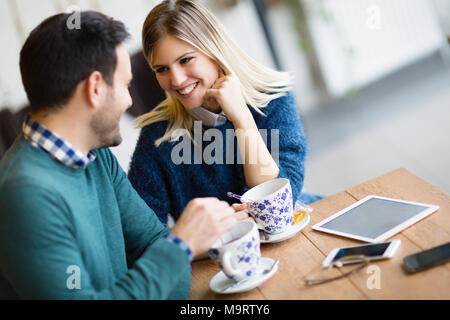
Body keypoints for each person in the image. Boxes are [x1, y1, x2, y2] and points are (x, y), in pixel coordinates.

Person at [0, 11, 241, 300]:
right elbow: (167, 260)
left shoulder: (94, 155)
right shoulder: (23, 194)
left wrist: (198, 235)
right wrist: (181, 244)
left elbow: (155, 248)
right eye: (126, 85)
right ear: (95, 88)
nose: (129, 100)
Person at [128, 0, 321, 225]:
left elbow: (280, 205)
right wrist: (204, 239)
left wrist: (241, 118)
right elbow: (142, 235)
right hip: (220, 257)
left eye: (186, 60)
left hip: (295, 227)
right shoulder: (158, 135)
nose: (177, 80)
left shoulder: (273, 99)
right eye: (162, 69)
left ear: (214, 52)